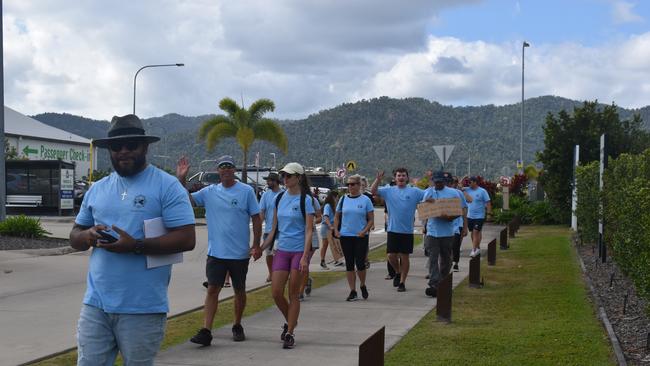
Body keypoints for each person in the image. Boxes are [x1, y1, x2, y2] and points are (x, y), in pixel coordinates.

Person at [69, 114, 196, 366]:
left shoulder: (167, 186)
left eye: (131, 145)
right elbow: (75, 235)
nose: (123, 151)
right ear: (110, 150)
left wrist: (135, 246)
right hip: (96, 304)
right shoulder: (97, 188)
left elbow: (186, 237)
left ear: (145, 147)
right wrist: (87, 235)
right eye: (116, 146)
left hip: (143, 307)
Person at [176, 155, 262, 346]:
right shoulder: (209, 192)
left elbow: (256, 218)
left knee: (239, 290)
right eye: (222, 167)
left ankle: (237, 325)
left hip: (239, 253)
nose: (225, 170)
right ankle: (206, 331)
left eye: (229, 167)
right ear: (218, 171)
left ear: (234, 170)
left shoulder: (246, 191)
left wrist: (256, 244)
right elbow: (187, 199)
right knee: (213, 289)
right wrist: (182, 179)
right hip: (216, 253)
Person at [258, 162, 315, 349]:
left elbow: (308, 230)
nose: (285, 178)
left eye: (289, 175)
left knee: (293, 294)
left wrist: (306, 257)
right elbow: (273, 229)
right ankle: (291, 320)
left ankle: (289, 332)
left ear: (298, 177)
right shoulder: (279, 198)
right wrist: (261, 247)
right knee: (275, 292)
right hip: (282, 250)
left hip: (298, 251)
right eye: (284, 175)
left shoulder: (306, 200)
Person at [370, 168, 425, 292]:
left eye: (403, 175)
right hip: (393, 229)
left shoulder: (414, 191)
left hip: (407, 231)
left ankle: (402, 282)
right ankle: (397, 272)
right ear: (395, 178)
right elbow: (373, 191)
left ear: (407, 178)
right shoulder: (389, 190)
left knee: (405, 257)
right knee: (391, 255)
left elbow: (428, 195)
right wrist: (378, 180)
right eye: (399, 175)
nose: (401, 177)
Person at [334, 174, 375, 301]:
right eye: (348, 184)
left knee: (360, 263)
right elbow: (337, 216)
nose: (350, 187)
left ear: (359, 185)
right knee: (349, 264)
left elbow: (371, 219)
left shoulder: (365, 200)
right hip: (346, 236)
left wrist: (364, 231)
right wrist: (336, 230)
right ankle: (353, 290)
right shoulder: (343, 199)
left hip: (360, 236)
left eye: (352, 184)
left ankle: (362, 284)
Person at [423, 171, 462, 297]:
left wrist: (448, 217)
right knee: (433, 258)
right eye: (436, 181)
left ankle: (442, 280)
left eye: (440, 181)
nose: (438, 183)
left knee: (446, 259)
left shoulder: (453, 193)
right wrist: (428, 205)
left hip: (447, 232)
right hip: (432, 231)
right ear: (433, 180)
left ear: (444, 182)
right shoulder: (428, 192)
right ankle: (434, 283)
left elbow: (458, 211)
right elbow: (424, 210)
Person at [259, 172, 284, 282]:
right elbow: (262, 212)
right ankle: (271, 273)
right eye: (267, 181)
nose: (268, 183)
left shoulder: (284, 194)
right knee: (269, 254)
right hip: (268, 230)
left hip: (281, 230)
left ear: (276, 182)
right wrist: (258, 225)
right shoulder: (265, 195)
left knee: (277, 253)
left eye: (270, 180)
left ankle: (279, 274)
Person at [446, 175, 470, 271]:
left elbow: (464, 208)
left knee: (455, 245)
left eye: (454, 182)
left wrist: (465, 226)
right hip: (445, 224)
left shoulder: (459, 193)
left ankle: (455, 262)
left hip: (457, 224)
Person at [464, 176, 492, 257]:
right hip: (470, 216)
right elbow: (458, 187)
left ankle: (474, 250)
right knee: (473, 233)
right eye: (468, 182)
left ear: (475, 182)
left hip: (479, 216)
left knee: (476, 232)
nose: (469, 184)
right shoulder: (467, 190)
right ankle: (477, 247)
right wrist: (462, 180)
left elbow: (488, 202)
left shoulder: (482, 191)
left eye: (470, 182)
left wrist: (489, 214)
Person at [319, 190, 339, 269]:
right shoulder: (327, 206)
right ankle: (322, 261)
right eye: (337, 197)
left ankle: (337, 260)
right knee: (325, 245)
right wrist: (330, 225)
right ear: (333, 197)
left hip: (332, 228)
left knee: (335, 244)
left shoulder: (334, 206)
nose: (337, 199)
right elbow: (326, 216)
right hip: (326, 227)